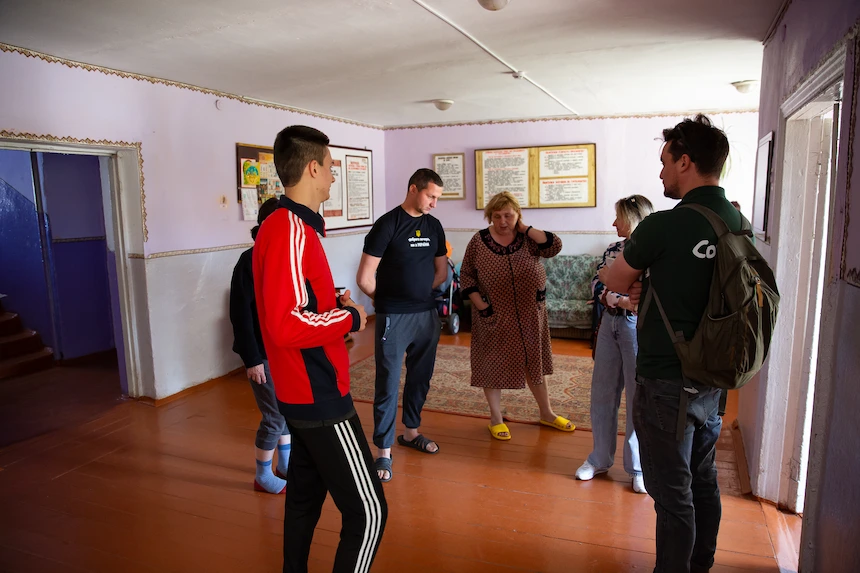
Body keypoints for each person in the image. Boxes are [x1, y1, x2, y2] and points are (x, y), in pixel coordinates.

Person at [599, 114, 741, 573]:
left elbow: (613, 276)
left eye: (665, 162)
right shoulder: (738, 222)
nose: (660, 173)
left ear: (685, 161)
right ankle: (701, 565)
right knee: (704, 479)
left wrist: (639, 279)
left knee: (672, 492)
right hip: (714, 378)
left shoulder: (664, 226)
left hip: (666, 380)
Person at [254, 125, 386, 573]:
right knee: (370, 514)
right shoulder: (287, 228)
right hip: (318, 393)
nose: (332, 178)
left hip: (304, 389)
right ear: (313, 168)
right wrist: (349, 317)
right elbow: (287, 322)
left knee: (305, 501)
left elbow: (299, 300)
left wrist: (333, 301)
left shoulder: (296, 229)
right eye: (330, 169)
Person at [356, 168, 448, 482]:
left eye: (438, 198)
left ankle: (410, 433)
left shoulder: (434, 226)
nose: (435, 203)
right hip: (393, 317)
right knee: (387, 384)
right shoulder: (387, 225)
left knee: (420, 379)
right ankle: (383, 451)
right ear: (413, 189)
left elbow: (441, 272)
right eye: (431, 196)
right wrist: (390, 302)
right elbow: (365, 279)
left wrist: (421, 295)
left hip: (426, 316)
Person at [459, 191, 572, 440]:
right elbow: (466, 275)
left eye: (508, 215)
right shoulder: (479, 241)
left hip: (530, 314)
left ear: (518, 215)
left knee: (535, 363)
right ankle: (496, 418)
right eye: (497, 216)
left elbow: (554, 246)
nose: (502, 221)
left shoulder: (528, 238)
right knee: (492, 363)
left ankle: (547, 413)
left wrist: (526, 228)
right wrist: (482, 307)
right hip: (494, 315)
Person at [575, 194, 654, 493]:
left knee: (637, 398)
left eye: (618, 217)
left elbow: (646, 294)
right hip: (609, 323)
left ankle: (637, 468)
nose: (613, 223)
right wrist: (620, 295)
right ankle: (599, 459)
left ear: (633, 218)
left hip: (636, 328)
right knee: (603, 393)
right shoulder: (612, 249)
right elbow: (598, 283)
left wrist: (617, 291)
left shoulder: (652, 254)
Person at [229, 197, 292, 495]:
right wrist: (252, 359)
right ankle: (262, 475)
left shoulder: (287, 258)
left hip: (285, 351)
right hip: (261, 355)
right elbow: (240, 314)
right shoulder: (249, 261)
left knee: (288, 410)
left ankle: (286, 465)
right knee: (274, 415)